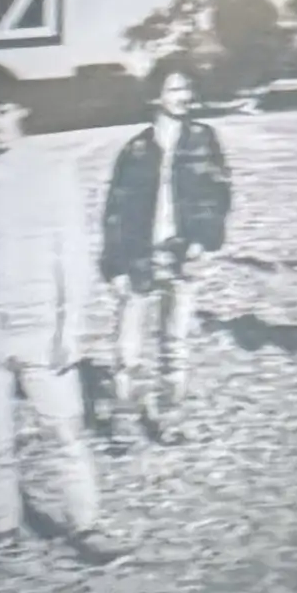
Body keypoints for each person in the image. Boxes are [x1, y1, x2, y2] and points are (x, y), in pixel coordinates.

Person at [0, 78, 111, 565]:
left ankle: (87, 526)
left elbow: (72, 255)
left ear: (21, 111)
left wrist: (70, 329)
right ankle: (1, 527)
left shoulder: (53, 174)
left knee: (65, 435)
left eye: (3, 111)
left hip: (41, 331)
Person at [97, 59, 232, 441]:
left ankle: (170, 416)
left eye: (187, 88)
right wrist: (116, 265)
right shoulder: (136, 150)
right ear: (156, 95)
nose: (183, 96)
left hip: (183, 255)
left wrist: (204, 242)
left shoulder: (204, 139)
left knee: (175, 342)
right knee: (127, 348)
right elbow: (116, 212)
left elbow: (219, 195)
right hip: (139, 255)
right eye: (174, 88)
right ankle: (124, 417)